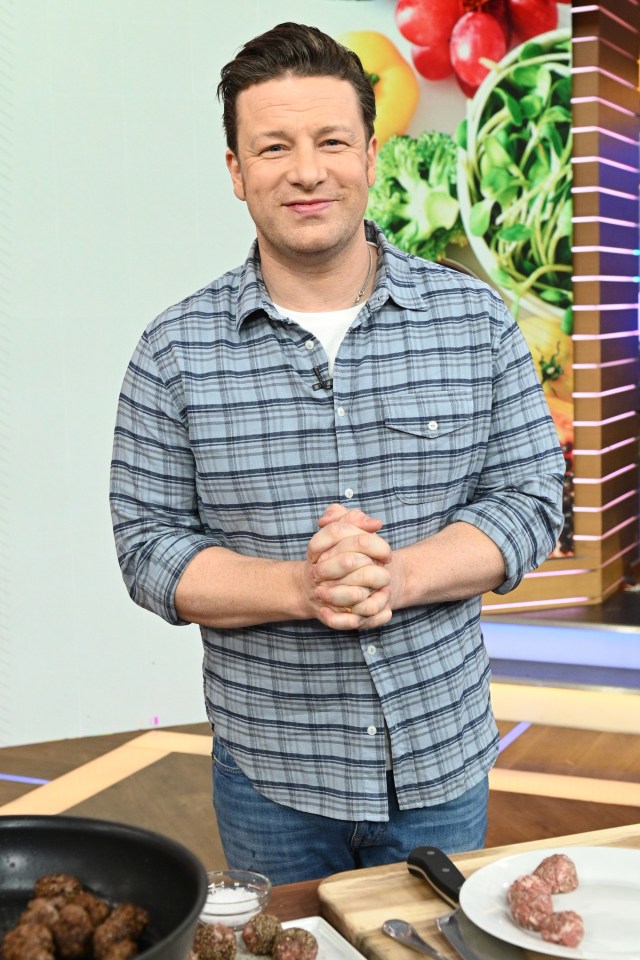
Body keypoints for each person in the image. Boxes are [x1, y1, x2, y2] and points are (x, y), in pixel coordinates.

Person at [110, 21, 565, 885]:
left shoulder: (474, 322)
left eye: (330, 140)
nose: (307, 170)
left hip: (442, 754)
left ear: (371, 152)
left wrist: (398, 579)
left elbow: (533, 499)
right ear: (237, 172)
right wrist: (298, 586)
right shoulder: (174, 350)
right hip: (270, 773)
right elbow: (148, 549)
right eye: (273, 147)